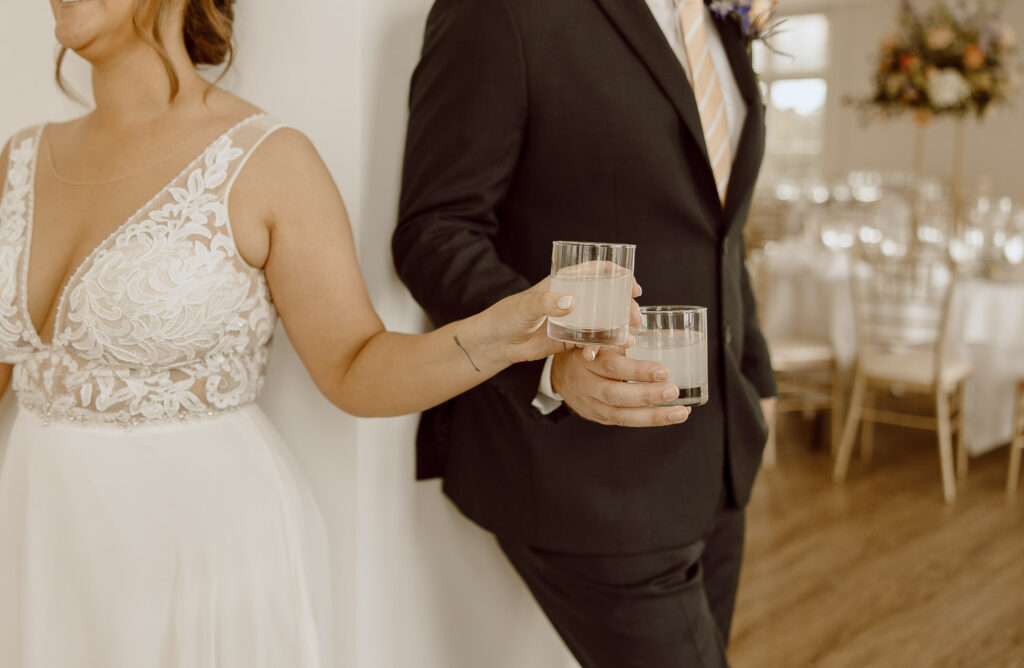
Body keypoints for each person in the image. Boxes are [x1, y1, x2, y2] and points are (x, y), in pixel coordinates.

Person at [0, 1, 612, 666]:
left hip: (202, 555)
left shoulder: (267, 160)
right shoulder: (19, 160)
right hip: (42, 537)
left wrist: (505, 334)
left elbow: (355, 364)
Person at [393, 0, 778, 665]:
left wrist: (756, 378)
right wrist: (553, 363)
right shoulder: (501, 12)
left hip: (718, 460)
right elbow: (436, 232)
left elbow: (720, 232)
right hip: (586, 473)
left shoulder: (720, 15)